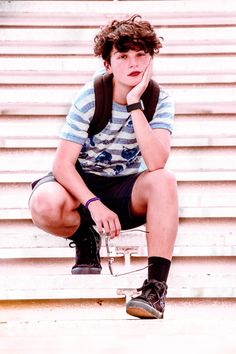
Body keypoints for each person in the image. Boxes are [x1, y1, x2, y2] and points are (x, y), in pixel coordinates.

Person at [29, 14, 178, 319]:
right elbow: (62, 165)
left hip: (125, 187)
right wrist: (93, 205)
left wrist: (136, 105)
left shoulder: (159, 100)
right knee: (44, 203)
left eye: (140, 54)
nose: (133, 63)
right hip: (81, 183)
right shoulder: (90, 97)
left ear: (151, 59)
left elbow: (156, 162)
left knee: (164, 180)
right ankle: (85, 234)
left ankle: (154, 289)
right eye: (123, 56)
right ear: (108, 64)